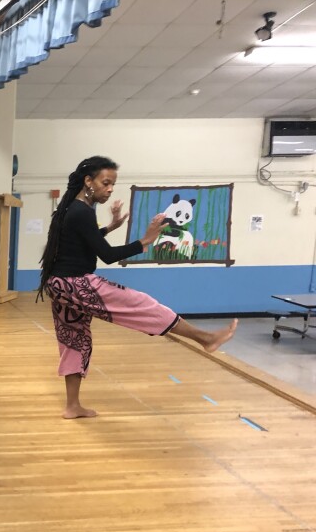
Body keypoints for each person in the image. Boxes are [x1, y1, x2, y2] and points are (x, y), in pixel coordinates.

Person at [38, 156, 238, 419]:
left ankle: (72, 406)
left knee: (74, 341)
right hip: (76, 284)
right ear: (88, 181)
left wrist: (110, 226)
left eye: (113, 184)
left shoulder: (71, 209)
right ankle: (205, 338)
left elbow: (82, 240)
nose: (110, 189)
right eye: (106, 183)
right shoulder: (81, 211)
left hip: (59, 285)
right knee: (141, 304)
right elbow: (107, 255)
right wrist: (145, 240)